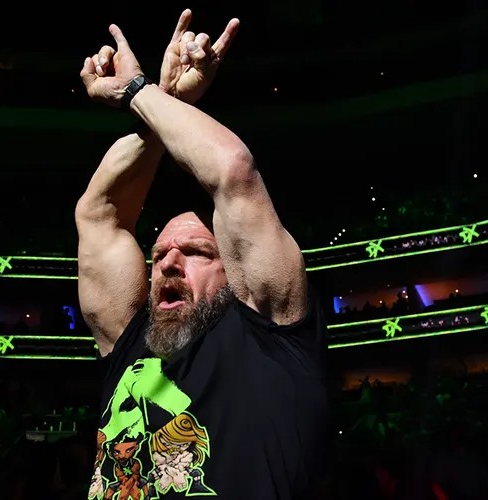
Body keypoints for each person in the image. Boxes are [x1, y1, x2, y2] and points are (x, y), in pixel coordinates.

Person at [76, 9, 329, 499]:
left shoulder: (274, 339)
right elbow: (97, 214)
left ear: (235, 268)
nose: (169, 263)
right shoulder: (129, 345)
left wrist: (137, 92)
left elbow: (231, 170)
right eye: (158, 255)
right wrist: (164, 102)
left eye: (194, 251)